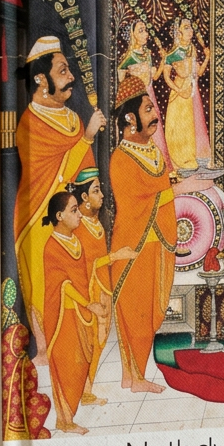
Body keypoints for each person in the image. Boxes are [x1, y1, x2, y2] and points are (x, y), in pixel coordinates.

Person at [109, 76, 208, 392]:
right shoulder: (121, 158)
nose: (155, 115)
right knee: (136, 311)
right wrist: (180, 188)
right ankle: (134, 377)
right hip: (134, 246)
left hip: (159, 241)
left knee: (153, 311)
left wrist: (177, 183)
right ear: (130, 118)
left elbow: (158, 184)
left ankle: (133, 375)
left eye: (153, 108)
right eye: (148, 109)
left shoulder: (151, 150)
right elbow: (135, 200)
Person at [13, 37, 104, 358]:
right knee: (46, 286)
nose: (71, 77)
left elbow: (83, 170)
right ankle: (44, 350)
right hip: (38, 215)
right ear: (41, 79)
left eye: (69, 70)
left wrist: (92, 198)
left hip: (72, 215)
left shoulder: (73, 119)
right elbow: (56, 176)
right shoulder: (29, 123)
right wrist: (87, 137)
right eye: (62, 71)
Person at [40, 191, 108, 434]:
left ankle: (73, 413)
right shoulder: (52, 247)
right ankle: (64, 421)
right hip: (63, 316)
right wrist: (89, 304)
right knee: (67, 367)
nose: (79, 214)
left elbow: (86, 273)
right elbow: (64, 285)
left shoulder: (76, 241)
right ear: (59, 216)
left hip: (81, 313)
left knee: (82, 364)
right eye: (73, 210)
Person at [69, 168, 137, 405]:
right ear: (84, 197)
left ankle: (86, 390)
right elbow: (85, 263)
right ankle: (80, 391)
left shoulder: (94, 222)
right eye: (96, 191)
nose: (102, 195)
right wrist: (116, 256)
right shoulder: (78, 225)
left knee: (99, 341)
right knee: (88, 341)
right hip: (89, 289)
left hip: (103, 286)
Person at [118, 19, 171, 167]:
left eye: (145, 30)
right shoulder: (129, 57)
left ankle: (161, 165)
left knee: (155, 130)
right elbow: (121, 80)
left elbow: (155, 77)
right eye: (141, 31)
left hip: (150, 96)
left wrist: (163, 60)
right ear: (133, 35)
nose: (145, 34)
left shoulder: (147, 54)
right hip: (137, 101)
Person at [162, 17, 211, 171]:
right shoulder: (172, 54)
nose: (190, 31)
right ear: (178, 32)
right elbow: (166, 77)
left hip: (192, 91)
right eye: (186, 28)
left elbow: (199, 72)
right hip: (180, 94)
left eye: (190, 27)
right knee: (181, 128)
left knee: (195, 124)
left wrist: (207, 57)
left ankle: (199, 158)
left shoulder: (192, 49)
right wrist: (179, 90)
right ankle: (182, 161)